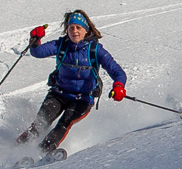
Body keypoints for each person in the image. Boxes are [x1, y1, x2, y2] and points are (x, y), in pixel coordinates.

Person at [17, 9, 127, 158]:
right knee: (39, 125)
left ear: (86, 30)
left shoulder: (95, 50)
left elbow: (117, 71)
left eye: (78, 28)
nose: (74, 31)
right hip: (58, 94)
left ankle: (40, 154)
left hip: (83, 99)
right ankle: (13, 151)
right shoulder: (61, 45)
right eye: (71, 28)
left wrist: (119, 86)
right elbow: (37, 52)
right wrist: (34, 40)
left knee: (64, 123)